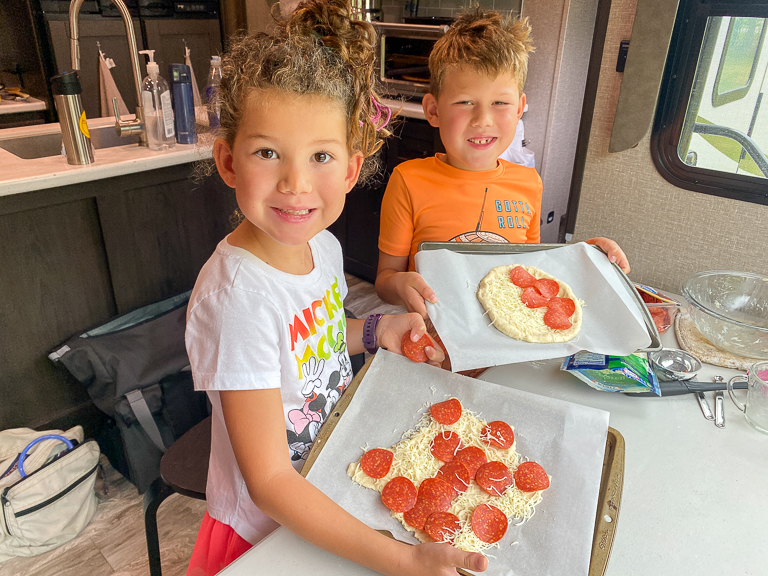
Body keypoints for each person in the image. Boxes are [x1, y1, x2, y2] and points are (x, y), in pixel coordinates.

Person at [184, 1, 488, 575]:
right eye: (267, 152)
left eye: (320, 156)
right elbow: (270, 481)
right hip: (266, 533)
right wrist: (402, 560)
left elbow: (313, 344)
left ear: (350, 170)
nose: (296, 183)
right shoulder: (237, 300)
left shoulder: (322, 247)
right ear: (228, 161)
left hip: (330, 485)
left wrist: (376, 330)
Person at [375, 8, 630, 318]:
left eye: (500, 103)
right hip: (436, 329)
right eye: (465, 102)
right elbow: (385, 281)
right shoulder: (408, 180)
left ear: (519, 108)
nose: (483, 120)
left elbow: (531, 271)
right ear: (433, 110)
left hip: (506, 329)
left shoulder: (529, 183)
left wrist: (584, 258)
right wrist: (400, 284)